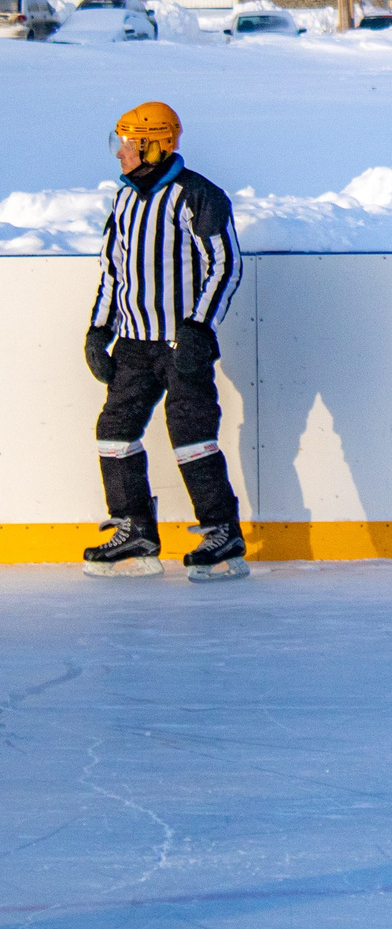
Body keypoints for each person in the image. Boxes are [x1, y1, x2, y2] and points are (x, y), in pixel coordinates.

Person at [83, 102, 247, 581]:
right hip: (133, 345)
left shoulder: (197, 195)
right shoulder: (124, 199)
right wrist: (99, 329)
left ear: (154, 144)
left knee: (191, 434)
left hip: (182, 344)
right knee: (114, 432)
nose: (118, 154)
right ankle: (135, 528)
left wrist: (199, 326)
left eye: (126, 144)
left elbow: (225, 265)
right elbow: (113, 270)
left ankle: (222, 530)